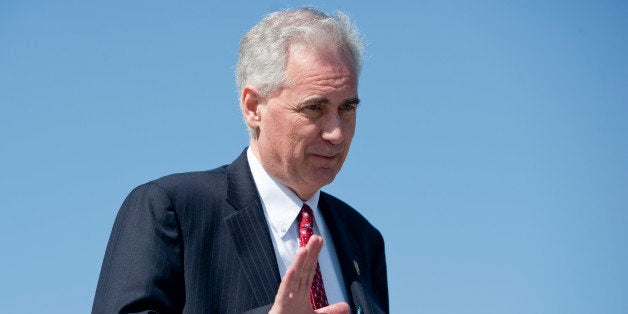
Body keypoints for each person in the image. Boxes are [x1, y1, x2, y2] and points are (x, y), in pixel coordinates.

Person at [92, 7, 388, 314]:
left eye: (347, 109)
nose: (336, 133)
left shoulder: (363, 239)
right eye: (314, 108)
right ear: (253, 107)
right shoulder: (172, 210)